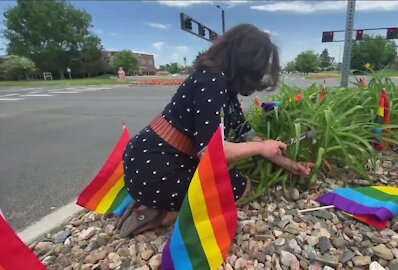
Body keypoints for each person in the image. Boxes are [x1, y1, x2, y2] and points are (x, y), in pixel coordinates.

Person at [117, 24, 314, 236]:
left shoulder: (221, 84)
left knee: (235, 182)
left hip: (153, 162)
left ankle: (155, 203)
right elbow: (210, 152)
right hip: (155, 172)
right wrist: (260, 149)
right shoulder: (212, 82)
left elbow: (244, 133)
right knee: (238, 187)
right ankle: (163, 214)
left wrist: (289, 164)